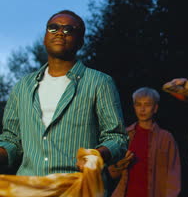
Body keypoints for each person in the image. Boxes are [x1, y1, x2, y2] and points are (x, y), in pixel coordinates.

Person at [0, 10, 128, 178]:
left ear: (80, 42)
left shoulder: (100, 82)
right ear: (45, 37)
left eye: (69, 29)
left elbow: (117, 138)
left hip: (78, 187)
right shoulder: (22, 87)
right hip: (29, 187)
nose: (60, 32)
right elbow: (12, 140)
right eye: (53, 28)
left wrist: (97, 155)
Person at [109, 87, 181, 197]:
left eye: (147, 105)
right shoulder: (124, 136)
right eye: (138, 104)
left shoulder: (166, 138)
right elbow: (110, 173)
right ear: (134, 107)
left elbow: (174, 176)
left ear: (155, 108)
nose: (142, 109)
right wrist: (120, 164)